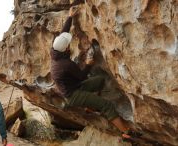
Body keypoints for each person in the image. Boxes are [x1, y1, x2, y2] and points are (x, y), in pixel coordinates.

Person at [50, 7, 140, 139]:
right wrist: (87, 64)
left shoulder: (55, 50)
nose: (69, 44)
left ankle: (90, 106)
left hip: (74, 87)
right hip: (73, 95)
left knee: (100, 81)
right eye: (68, 44)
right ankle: (126, 133)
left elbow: (63, 33)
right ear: (65, 49)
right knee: (106, 105)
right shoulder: (65, 65)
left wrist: (70, 17)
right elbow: (81, 77)